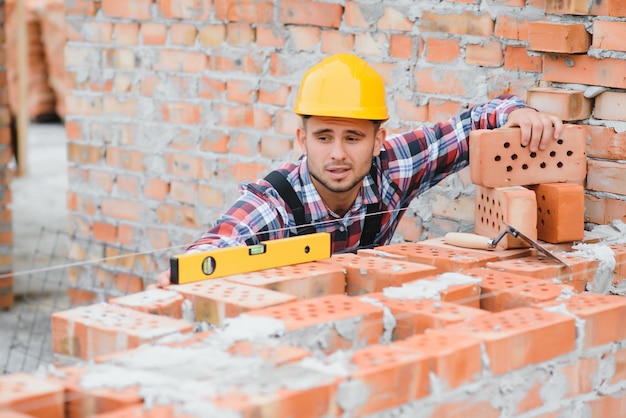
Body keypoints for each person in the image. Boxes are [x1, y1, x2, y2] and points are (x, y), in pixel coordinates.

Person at [157, 53, 563, 286]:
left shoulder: (393, 169)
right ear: (303, 141)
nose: (337, 154)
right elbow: (215, 247)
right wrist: (183, 276)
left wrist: (519, 113)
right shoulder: (276, 203)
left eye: (352, 138)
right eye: (323, 137)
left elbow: (471, 123)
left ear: (377, 140)